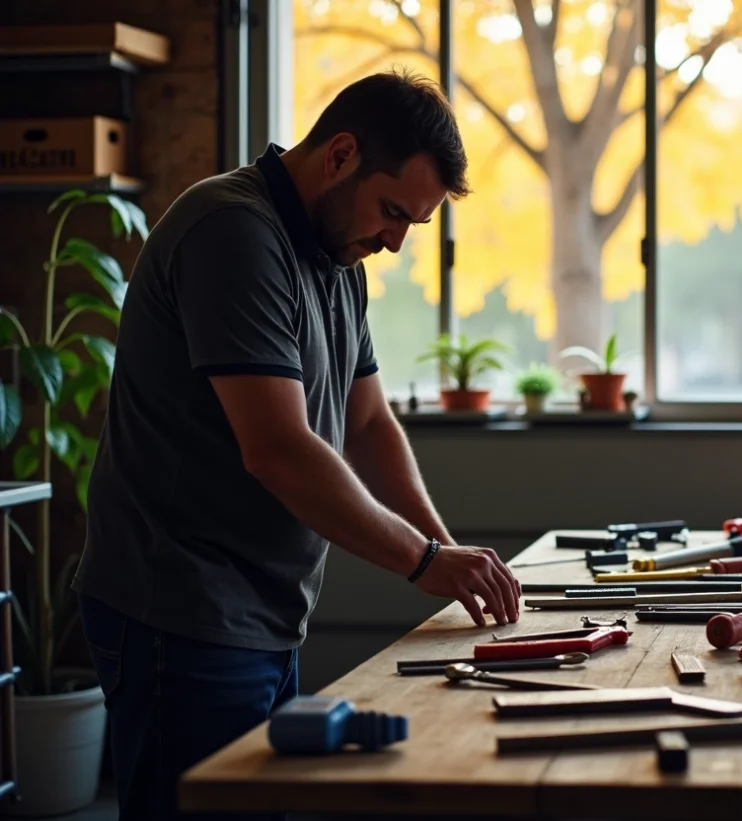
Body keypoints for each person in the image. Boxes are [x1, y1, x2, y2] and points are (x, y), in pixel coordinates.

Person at [70, 68, 521, 820]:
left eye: (412, 224)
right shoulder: (232, 231)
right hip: (177, 611)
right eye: (391, 212)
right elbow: (278, 447)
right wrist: (422, 561)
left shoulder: (338, 256)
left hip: (262, 614)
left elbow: (370, 423)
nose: (396, 242)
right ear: (340, 155)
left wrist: (451, 555)